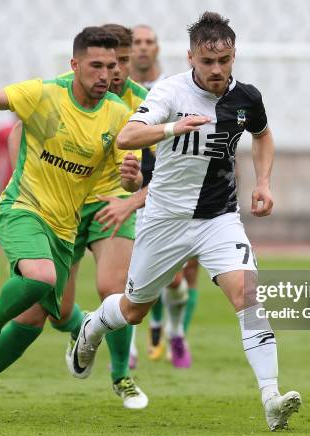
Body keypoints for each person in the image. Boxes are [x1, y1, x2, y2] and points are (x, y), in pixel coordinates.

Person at [71, 12, 302, 431]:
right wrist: (174, 126)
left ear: (234, 57)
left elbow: (263, 135)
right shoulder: (170, 92)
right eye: (208, 62)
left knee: (248, 298)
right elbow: (127, 136)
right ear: (191, 56)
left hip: (219, 218)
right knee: (133, 310)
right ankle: (92, 326)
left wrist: (263, 182)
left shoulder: (247, 98)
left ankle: (271, 397)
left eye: (225, 61)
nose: (217, 70)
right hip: (164, 220)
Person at [0, 26, 142, 420]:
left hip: (64, 231)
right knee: (41, 277)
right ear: (75, 65)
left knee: (36, 319)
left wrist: (132, 179)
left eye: (111, 66)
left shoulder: (119, 114)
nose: (105, 75)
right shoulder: (45, 94)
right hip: (22, 209)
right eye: (95, 65)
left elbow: (127, 176)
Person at [6, 23, 151, 410]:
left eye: (123, 62)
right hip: (63, 207)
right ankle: (84, 330)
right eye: (110, 62)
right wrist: (25, 193)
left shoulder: (143, 103)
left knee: (113, 289)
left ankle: (122, 375)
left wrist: (133, 191)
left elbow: (154, 166)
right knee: (60, 311)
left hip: (113, 202)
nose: (116, 70)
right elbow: (17, 135)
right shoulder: (64, 92)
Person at [129, 25, 200, 367]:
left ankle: (174, 332)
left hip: (169, 192)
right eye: (136, 43)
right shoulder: (117, 89)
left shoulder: (173, 89)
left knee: (175, 278)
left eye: (148, 42)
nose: (143, 48)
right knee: (126, 273)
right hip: (124, 189)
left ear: (157, 48)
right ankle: (128, 351)